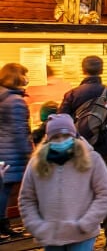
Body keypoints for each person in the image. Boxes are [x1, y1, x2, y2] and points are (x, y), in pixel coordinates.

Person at [18, 113, 107, 251]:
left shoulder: (92, 159)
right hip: (51, 236)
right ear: (48, 139)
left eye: (66, 136)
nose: (61, 140)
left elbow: (105, 193)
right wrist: (37, 226)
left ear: (73, 136)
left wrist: (86, 222)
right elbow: (26, 199)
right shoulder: (36, 163)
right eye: (56, 137)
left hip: (81, 234)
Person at [59, 55, 107, 248]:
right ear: (102, 70)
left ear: (83, 70)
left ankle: (82, 231)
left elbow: (62, 121)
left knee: (80, 187)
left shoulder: (72, 94)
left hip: (80, 148)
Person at [0, 63, 32, 240]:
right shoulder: (15, 101)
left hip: (2, 150)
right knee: (5, 190)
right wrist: (29, 153)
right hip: (11, 152)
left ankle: (3, 225)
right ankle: (3, 226)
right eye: (24, 74)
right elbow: (19, 130)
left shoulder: (2, 96)